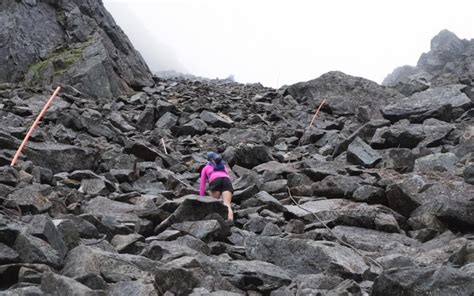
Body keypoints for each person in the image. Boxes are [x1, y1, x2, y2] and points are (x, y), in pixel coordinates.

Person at [199, 152, 234, 221]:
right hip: (226, 181)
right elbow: (227, 176)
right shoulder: (223, 166)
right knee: (227, 204)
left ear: (208, 160)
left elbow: (202, 185)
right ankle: (230, 222)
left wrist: (201, 198)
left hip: (215, 181)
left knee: (213, 203)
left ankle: (215, 222)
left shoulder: (206, 168)